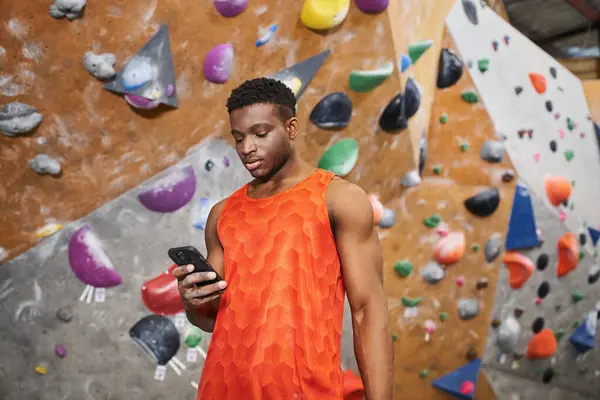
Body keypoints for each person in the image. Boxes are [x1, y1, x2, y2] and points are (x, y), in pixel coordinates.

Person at [174, 77, 393, 400]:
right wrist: (192, 300)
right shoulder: (222, 214)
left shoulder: (338, 198)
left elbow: (368, 310)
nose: (247, 148)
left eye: (260, 134)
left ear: (291, 128)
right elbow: (210, 318)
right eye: (239, 138)